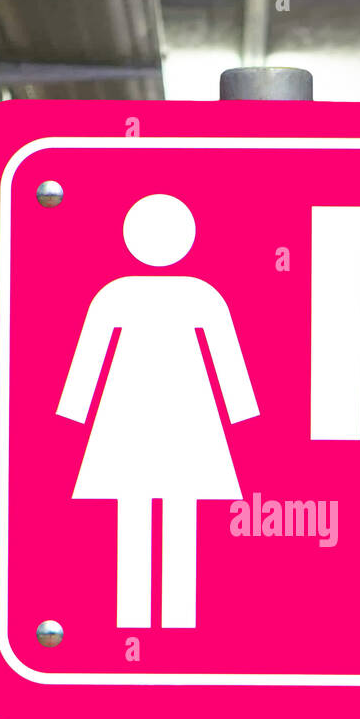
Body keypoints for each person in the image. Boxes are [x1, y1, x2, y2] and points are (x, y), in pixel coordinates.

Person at [56, 193, 259, 628]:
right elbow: (227, 361)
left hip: (145, 414)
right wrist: (242, 412)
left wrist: (73, 410)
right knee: (155, 512)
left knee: (156, 512)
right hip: (168, 415)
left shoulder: (125, 293)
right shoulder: (193, 294)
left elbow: (90, 359)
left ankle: (158, 620)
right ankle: (156, 618)